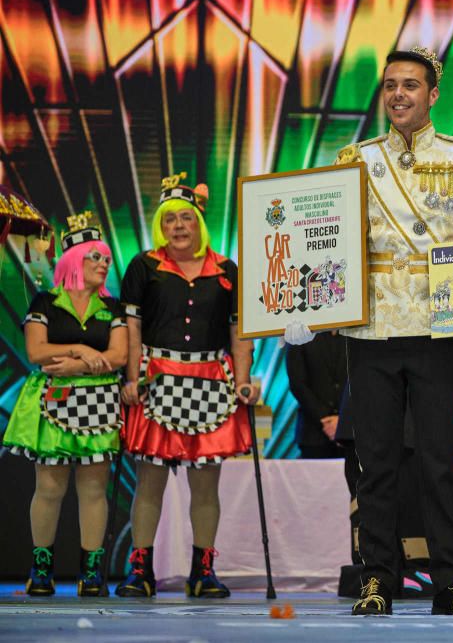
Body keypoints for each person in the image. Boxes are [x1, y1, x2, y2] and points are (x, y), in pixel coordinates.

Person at [332, 46, 453, 616]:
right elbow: (328, 246)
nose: (399, 94)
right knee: (375, 463)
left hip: (436, 331)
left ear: (433, 95)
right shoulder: (353, 159)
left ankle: (452, 580)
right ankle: (379, 578)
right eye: (390, 86)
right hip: (371, 329)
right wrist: (301, 305)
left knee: (439, 462)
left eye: (410, 85)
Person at [115, 174, 259, 598]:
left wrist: (244, 379)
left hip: (213, 383)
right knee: (150, 481)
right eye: (170, 219)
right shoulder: (144, 266)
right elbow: (132, 326)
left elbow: (241, 332)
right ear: (161, 225)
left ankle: (204, 570)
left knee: (205, 486)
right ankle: (140, 569)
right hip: (156, 382)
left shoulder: (228, 271)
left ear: (199, 222)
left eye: (186, 217)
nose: (178, 226)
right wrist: (131, 377)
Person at [3, 214, 126, 596]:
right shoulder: (45, 302)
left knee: (94, 490)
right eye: (95, 257)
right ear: (74, 261)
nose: (104, 264)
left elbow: (119, 355)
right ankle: (41, 569)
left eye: (106, 258)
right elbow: (36, 351)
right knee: (50, 488)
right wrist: (81, 349)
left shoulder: (113, 307)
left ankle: (92, 573)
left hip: (99, 401)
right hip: (52, 401)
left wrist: (74, 364)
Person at [285, 331, 348, 459]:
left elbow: (363, 379)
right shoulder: (298, 332)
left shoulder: (356, 333)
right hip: (313, 433)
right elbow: (297, 383)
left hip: (352, 432)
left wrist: (344, 420)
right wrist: (326, 420)